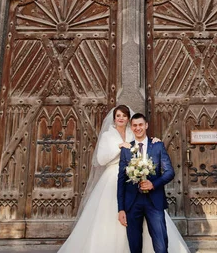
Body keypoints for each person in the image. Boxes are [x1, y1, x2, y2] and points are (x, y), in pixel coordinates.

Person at [57, 105, 190, 253]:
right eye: (118, 115)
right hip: (116, 180)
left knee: (156, 235)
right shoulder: (108, 135)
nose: (121, 118)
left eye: (124, 116)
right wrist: (119, 147)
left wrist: (154, 141)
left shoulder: (133, 133)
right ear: (114, 118)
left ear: (129, 119)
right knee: (117, 220)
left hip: (142, 185)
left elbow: (144, 145)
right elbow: (101, 160)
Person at [118, 112, 180, 253]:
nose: (138, 128)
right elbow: (121, 180)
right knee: (134, 246)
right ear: (131, 127)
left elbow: (170, 172)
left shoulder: (157, 146)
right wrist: (121, 208)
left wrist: (154, 184)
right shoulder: (126, 150)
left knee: (161, 245)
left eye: (140, 124)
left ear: (146, 125)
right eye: (134, 125)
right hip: (132, 203)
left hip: (154, 201)